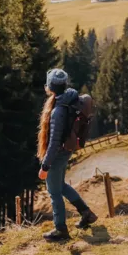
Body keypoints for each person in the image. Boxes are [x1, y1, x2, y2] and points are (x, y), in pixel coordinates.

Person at [38, 67, 98, 242]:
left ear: (49, 88)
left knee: (54, 192)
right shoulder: (72, 97)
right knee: (61, 186)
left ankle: (60, 230)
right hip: (67, 151)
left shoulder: (58, 111)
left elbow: (54, 142)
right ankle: (86, 213)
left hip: (59, 154)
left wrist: (45, 166)